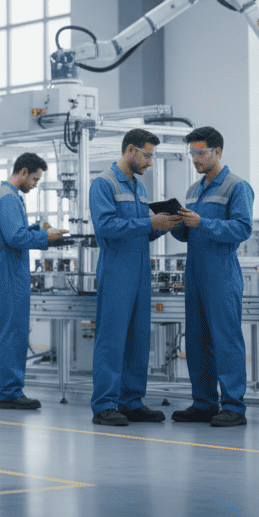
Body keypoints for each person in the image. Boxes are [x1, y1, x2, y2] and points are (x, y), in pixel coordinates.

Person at [90, 129, 181, 426]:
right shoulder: (103, 183)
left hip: (141, 269)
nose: (150, 162)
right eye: (148, 155)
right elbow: (106, 226)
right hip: (116, 269)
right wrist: (149, 223)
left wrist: (162, 226)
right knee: (112, 338)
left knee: (138, 338)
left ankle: (131, 401)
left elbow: (142, 229)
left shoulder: (139, 187)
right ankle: (105, 404)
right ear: (130, 150)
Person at [170, 126, 254, 427]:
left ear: (217, 152)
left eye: (200, 153)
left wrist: (201, 223)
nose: (195, 159)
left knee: (225, 339)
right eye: (191, 153)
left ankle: (233, 406)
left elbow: (242, 228)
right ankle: (204, 403)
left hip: (221, 272)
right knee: (196, 339)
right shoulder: (194, 190)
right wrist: (176, 224)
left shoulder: (237, 186)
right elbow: (189, 233)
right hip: (194, 271)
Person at [0, 153, 67, 410]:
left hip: (8, 267)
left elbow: (16, 232)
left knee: (3, 333)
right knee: (13, 332)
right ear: (23, 171)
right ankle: (10, 392)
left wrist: (38, 229)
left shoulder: (6, 195)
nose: (34, 184)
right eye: (34, 179)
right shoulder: (9, 198)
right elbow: (14, 237)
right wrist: (46, 237)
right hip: (11, 269)